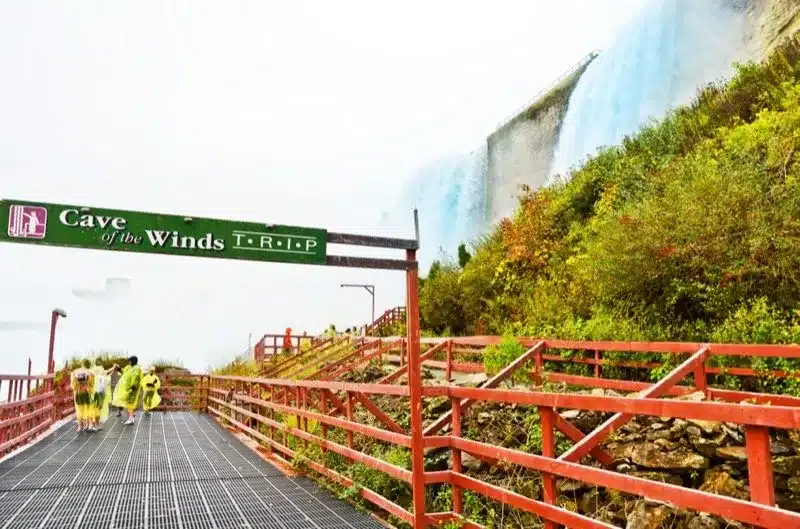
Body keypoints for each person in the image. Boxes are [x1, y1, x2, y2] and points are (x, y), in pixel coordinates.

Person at [112, 355, 143, 425]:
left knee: (130, 404)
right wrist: (119, 368)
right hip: (128, 389)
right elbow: (125, 373)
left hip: (132, 389)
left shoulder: (136, 369)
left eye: (129, 361)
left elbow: (135, 378)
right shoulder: (130, 368)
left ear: (132, 361)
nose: (129, 362)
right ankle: (130, 418)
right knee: (128, 404)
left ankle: (131, 418)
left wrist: (132, 387)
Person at [70, 359, 96, 432]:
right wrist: (88, 387)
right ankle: (90, 425)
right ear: (89, 365)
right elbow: (92, 384)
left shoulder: (75, 372)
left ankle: (80, 427)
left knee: (79, 410)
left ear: (82, 364)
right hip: (87, 392)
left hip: (78, 393)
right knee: (89, 409)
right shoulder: (90, 373)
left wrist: (77, 386)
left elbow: (72, 385)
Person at [90, 360, 117, 427]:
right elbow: (107, 373)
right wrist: (113, 368)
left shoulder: (92, 373)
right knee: (99, 409)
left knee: (93, 408)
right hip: (100, 394)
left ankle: (92, 424)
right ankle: (97, 424)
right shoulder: (102, 374)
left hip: (93, 393)